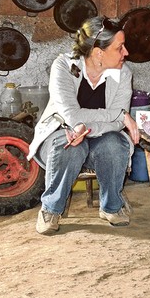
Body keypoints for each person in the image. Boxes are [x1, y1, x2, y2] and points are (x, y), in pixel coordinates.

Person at [29, 16, 140, 235]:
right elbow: (71, 114)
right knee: (71, 145)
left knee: (114, 144)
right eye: (120, 48)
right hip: (60, 135)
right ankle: (51, 209)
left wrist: (89, 128)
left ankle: (111, 206)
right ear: (99, 52)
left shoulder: (123, 74)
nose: (126, 53)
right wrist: (117, 114)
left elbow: (117, 123)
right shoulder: (64, 65)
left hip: (99, 138)